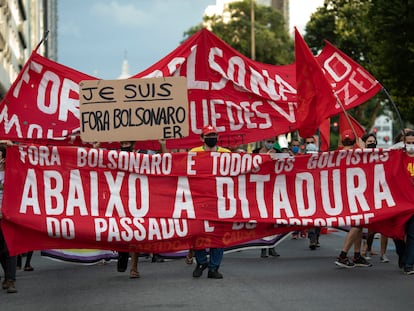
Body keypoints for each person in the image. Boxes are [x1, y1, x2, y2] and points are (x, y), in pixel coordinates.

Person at [190, 125, 230, 279]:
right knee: (196, 232)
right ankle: (201, 262)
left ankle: (214, 267)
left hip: (219, 200)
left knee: (218, 235)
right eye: (208, 135)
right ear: (202, 138)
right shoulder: (194, 153)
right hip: (198, 199)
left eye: (214, 134)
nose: (211, 137)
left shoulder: (226, 154)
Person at [335, 130, 372, 268]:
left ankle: (357, 255)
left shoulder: (335, 155)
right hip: (355, 194)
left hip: (346, 193)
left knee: (359, 224)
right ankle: (343, 255)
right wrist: (362, 148)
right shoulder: (359, 154)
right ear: (355, 141)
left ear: (342, 141)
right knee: (357, 224)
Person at [360, 133, 389, 263]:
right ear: (364, 143)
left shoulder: (381, 156)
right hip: (367, 195)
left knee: (384, 227)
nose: (372, 143)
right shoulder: (359, 157)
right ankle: (366, 248)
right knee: (371, 227)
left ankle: (383, 253)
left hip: (380, 195)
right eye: (369, 141)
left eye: (374, 141)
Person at [253, 137, 281, 258]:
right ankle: (263, 246)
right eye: (268, 141)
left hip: (272, 188)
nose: (270, 144)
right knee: (262, 220)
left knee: (272, 220)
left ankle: (272, 246)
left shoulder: (278, 153)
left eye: (272, 142)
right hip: (258, 188)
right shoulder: (255, 152)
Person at [393, 130, 414, 274]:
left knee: (412, 234)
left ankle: (408, 264)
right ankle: (403, 255)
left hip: (413, 203)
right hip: (399, 202)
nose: (411, 146)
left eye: (413, 143)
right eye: (408, 143)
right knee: (397, 233)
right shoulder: (396, 158)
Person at [0, 142, 17, 293]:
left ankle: (11, 280)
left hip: (8, 217)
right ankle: (6, 276)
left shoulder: (13, 173)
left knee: (9, 248)